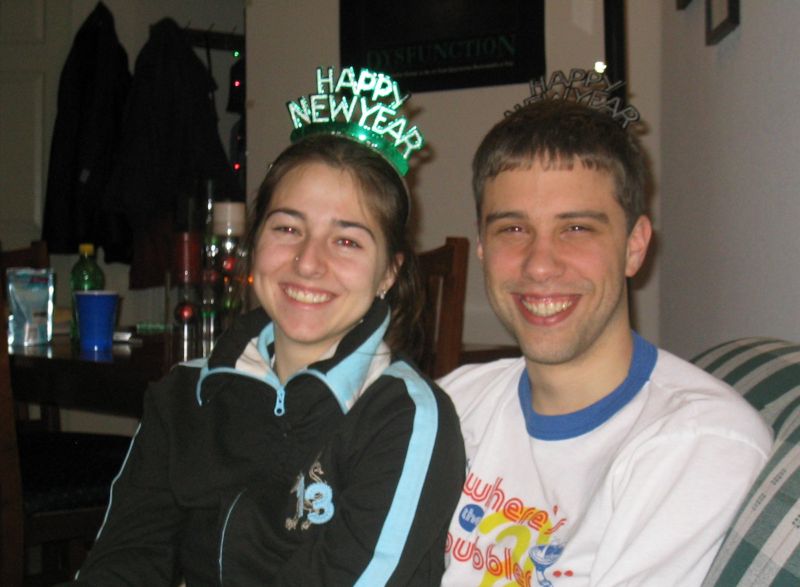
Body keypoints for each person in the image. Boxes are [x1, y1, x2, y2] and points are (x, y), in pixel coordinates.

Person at [68, 127, 465, 583]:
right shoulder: (184, 394)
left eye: (347, 241)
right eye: (288, 229)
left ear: (389, 273)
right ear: (255, 242)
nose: (308, 262)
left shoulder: (404, 419)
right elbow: (127, 556)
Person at [440, 96, 772, 586]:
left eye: (576, 228)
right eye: (513, 228)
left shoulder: (698, 444)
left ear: (634, 247)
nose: (540, 264)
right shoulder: (453, 403)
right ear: (484, 248)